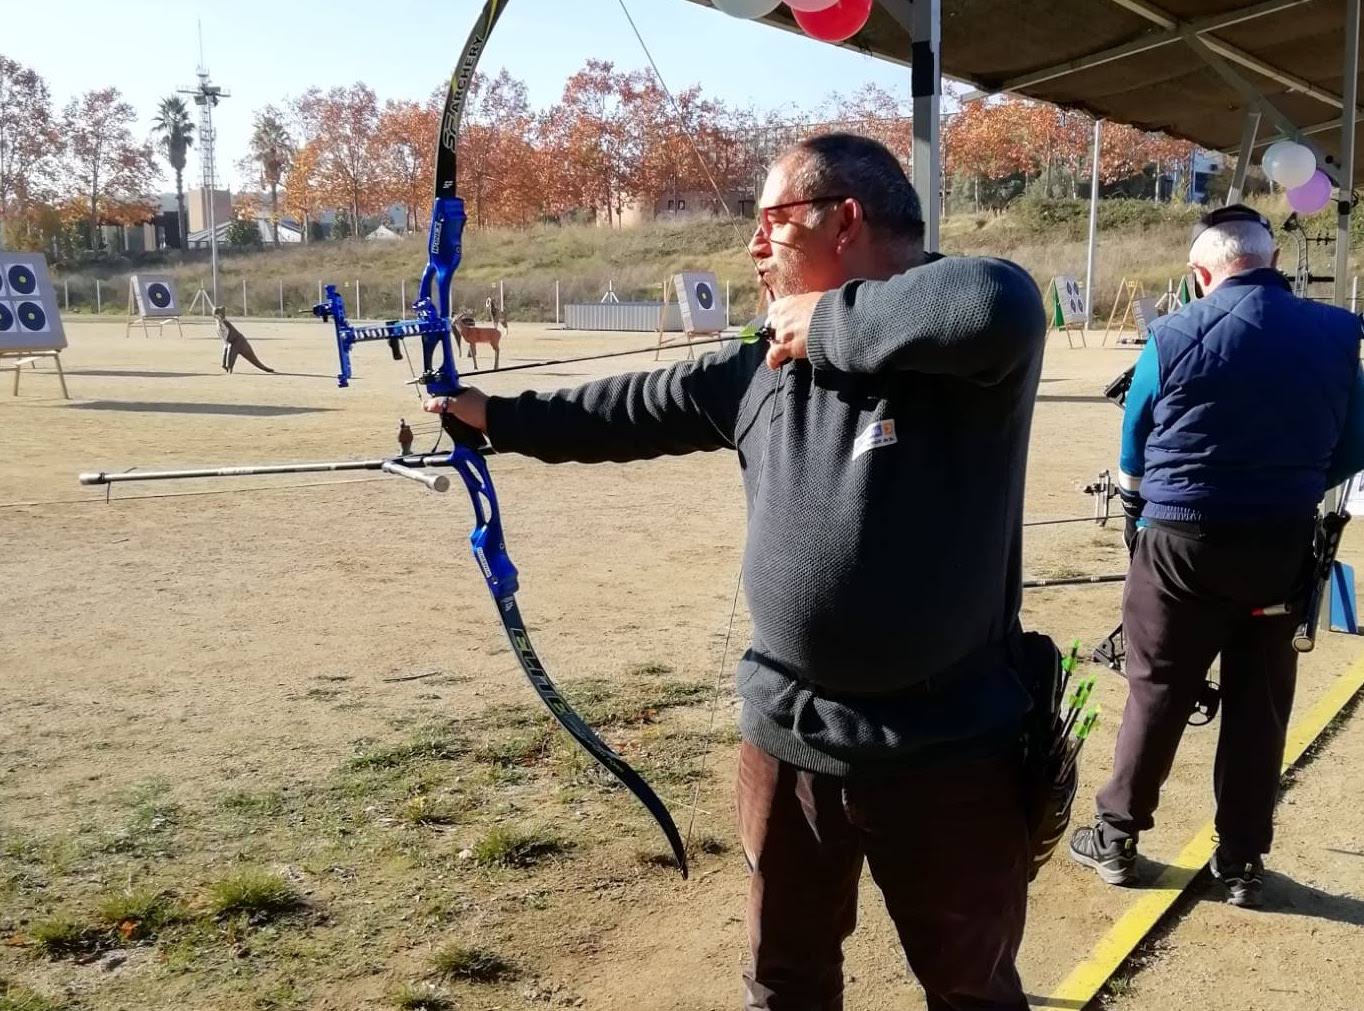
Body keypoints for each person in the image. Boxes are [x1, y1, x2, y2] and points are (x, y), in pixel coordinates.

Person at [426, 133, 1046, 1011]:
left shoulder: (971, 343)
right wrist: (493, 417)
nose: (753, 246)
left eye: (772, 222)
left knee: (970, 988)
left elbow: (997, 301)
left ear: (846, 219)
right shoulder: (756, 366)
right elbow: (633, 409)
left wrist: (827, 321)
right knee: (784, 980)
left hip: (947, 746)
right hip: (792, 742)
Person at [1069, 203, 1364, 908]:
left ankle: (1117, 836)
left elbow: (1134, 446)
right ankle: (1239, 863)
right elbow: (1354, 446)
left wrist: (1140, 512)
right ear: (1271, 262)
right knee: (1260, 705)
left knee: (1158, 688)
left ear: (1203, 274)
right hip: (1282, 544)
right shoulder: (1337, 331)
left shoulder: (1170, 331)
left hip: (1180, 544)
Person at [216, 307, 275, 374]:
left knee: (232, 350)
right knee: (228, 349)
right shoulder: (219, 325)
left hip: (238, 341)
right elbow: (225, 340)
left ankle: (229, 368)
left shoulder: (224, 323)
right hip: (231, 342)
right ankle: (227, 366)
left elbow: (228, 337)